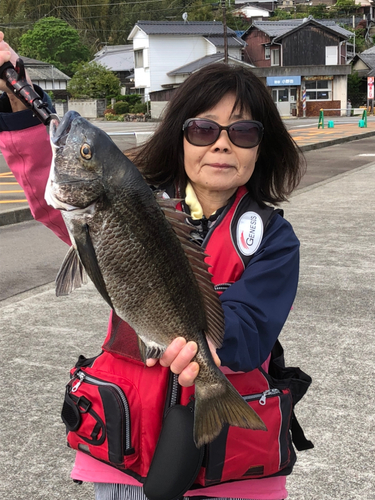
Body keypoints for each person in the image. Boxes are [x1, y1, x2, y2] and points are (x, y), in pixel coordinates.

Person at [0, 32, 306, 500]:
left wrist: (204, 351)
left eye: (242, 132)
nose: (222, 145)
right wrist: (18, 102)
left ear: (262, 147)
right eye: (204, 129)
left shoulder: (273, 239)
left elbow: (252, 323)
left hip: (230, 478)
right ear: (180, 135)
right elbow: (56, 188)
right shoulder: (132, 202)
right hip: (125, 459)